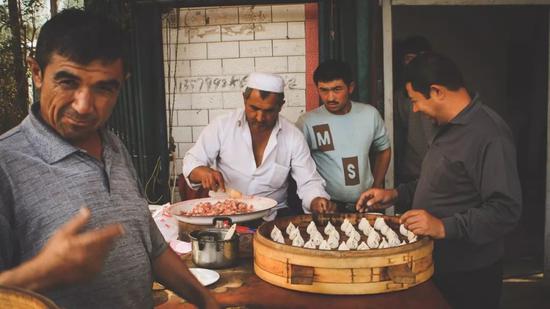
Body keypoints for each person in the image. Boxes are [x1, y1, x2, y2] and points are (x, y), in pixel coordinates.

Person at [0, 9, 218, 309]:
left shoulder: (113, 145)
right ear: (37, 73)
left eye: (104, 88)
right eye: (67, 82)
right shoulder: (5, 165)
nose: (84, 106)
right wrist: (39, 274)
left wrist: (207, 301)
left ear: (121, 84)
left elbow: (152, 246)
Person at [355, 52, 522, 309]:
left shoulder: (489, 134)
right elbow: (443, 181)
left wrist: (443, 227)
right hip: (436, 264)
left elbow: (505, 210)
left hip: (471, 275)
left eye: (415, 100)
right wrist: (395, 194)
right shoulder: (444, 127)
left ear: (436, 91)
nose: (415, 109)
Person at [183, 72, 334, 219]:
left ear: (281, 106)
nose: (260, 118)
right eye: (254, 108)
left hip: (272, 216)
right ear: (244, 99)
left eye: (269, 111)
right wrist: (202, 172)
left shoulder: (293, 136)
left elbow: (308, 181)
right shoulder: (222, 126)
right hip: (227, 213)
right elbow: (192, 160)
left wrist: (316, 200)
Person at [296, 60, 391, 212]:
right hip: (328, 208)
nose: (330, 97)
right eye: (324, 90)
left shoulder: (369, 114)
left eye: (337, 89)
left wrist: (377, 185)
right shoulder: (307, 122)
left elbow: (384, 149)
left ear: (351, 87)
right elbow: (297, 163)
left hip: (366, 206)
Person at [394, 36, 437, 185]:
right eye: (409, 58)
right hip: (412, 173)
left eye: (420, 58)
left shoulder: (438, 95)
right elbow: (398, 135)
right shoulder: (400, 96)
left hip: (439, 174)